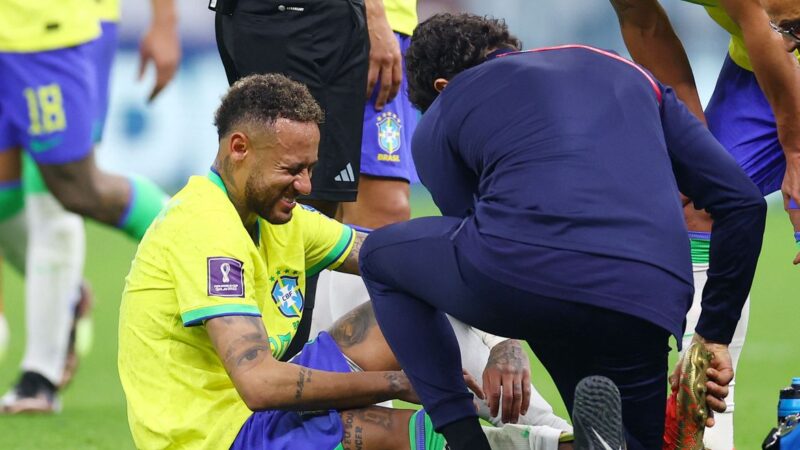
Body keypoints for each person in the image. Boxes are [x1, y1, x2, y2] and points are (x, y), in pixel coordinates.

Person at [358, 13, 767, 450]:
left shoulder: (451, 102)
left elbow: (467, 231)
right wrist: (712, 337)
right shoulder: (625, 71)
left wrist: (504, 346)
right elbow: (743, 202)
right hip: (651, 295)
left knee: (381, 259)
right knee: (635, 439)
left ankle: (463, 440)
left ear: (440, 87)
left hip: (527, 276)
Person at [118, 73, 575, 450]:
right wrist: (398, 383)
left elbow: (418, 264)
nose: (304, 185)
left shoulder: (283, 221)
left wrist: (504, 339)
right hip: (219, 439)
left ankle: (559, 440)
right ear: (238, 148)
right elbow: (259, 386)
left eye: (310, 169)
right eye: (291, 170)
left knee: (413, 293)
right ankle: (554, 440)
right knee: (405, 437)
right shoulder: (205, 228)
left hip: (258, 421)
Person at [609, 1, 800, 446]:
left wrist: (796, 154)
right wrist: (695, 148)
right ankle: (711, 433)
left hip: (778, 41)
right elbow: (644, 22)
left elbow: (770, 21)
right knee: (703, 202)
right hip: (761, 59)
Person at [0, 0, 180, 413]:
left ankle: (40, 376)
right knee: (4, 200)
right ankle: (66, 292)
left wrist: (164, 22)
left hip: (54, 29)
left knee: (69, 191)